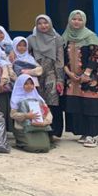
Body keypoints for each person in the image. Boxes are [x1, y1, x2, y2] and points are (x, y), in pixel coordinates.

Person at [62, 10, 98, 148]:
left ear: (84, 21)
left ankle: (92, 135)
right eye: (74, 19)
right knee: (77, 105)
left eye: (79, 19)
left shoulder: (91, 36)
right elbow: (61, 58)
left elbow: (96, 56)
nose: (76, 22)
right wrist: (69, 73)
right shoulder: (65, 37)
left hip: (90, 78)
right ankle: (82, 132)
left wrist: (86, 74)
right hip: (72, 79)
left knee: (91, 105)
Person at [26, 14, 65, 143]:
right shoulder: (31, 39)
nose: (43, 26)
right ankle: (40, 130)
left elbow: (60, 60)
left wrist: (60, 79)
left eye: (45, 23)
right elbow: (25, 56)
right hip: (36, 74)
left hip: (51, 73)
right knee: (38, 102)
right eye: (40, 23)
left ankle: (54, 131)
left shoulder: (57, 39)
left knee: (52, 101)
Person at [10, 75, 53, 153]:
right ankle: (20, 142)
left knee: (45, 147)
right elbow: (13, 115)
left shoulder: (38, 98)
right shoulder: (16, 99)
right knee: (33, 147)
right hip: (23, 128)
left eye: (31, 83)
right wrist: (26, 116)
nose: (29, 86)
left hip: (39, 127)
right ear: (20, 85)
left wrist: (45, 122)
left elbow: (48, 113)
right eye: (26, 84)